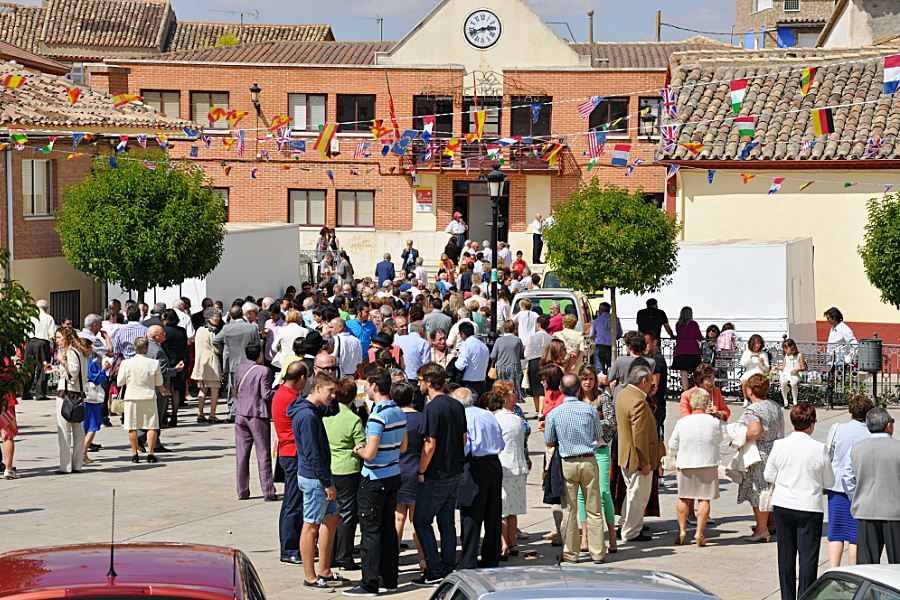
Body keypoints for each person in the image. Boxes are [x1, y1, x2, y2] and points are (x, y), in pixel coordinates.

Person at [344, 369, 408, 596]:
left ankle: (369, 582)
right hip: (393, 474)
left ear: (374, 386)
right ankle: (389, 578)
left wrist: (358, 449)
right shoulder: (399, 411)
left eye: (368, 386)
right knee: (388, 528)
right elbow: (403, 447)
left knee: (370, 532)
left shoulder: (377, 415)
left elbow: (370, 453)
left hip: (375, 478)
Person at [764, 403, 833, 600]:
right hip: (809, 505)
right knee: (808, 558)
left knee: (785, 555)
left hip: (784, 504)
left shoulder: (780, 445)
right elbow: (829, 481)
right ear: (811, 424)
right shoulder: (819, 448)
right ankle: (805, 596)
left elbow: (769, 475)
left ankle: (787, 596)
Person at [288, 371, 346, 592]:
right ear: (317, 389)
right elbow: (313, 454)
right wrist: (327, 483)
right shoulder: (308, 416)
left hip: (319, 477)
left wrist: (335, 392)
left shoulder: (310, 407)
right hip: (315, 479)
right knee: (311, 525)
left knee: (331, 520)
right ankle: (310, 577)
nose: (333, 395)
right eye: (330, 391)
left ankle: (324, 570)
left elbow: (333, 408)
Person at [413, 363, 468, 587]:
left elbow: (430, 443)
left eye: (420, 380)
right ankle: (447, 565)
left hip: (436, 474)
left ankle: (434, 569)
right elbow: (463, 439)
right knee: (446, 521)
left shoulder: (433, 408)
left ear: (429, 382)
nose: (418, 385)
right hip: (454, 471)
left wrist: (421, 470)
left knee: (421, 520)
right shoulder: (456, 405)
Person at [545, 373, 607, 564]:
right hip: (589, 460)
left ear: (561, 390)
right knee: (594, 510)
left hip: (568, 462)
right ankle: (597, 552)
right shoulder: (589, 409)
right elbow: (598, 435)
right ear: (579, 389)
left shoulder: (555, 413)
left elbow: (549, 440)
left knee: (569, 510)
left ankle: (571, 553)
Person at [452, 387, 504, 571]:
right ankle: (491, 557)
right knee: (492, 512)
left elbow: (466, 444)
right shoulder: (487, 414)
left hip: (474, 464)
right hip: (493, 463)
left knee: (471, 513)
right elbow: (500, 440)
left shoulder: (463, 417)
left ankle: (468, 560)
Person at [669, 388, 725, 547]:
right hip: (707, 462)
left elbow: (673, 444)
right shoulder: (714, 422)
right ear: (706, 403)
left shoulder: (682, 422)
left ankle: (682, 531)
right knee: (704, 499)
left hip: (686, 463)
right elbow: (719, 440)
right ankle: (699, 533)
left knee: (683, 497)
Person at [825, 394, 874, 567]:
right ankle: (853, 572)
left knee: (836, 534)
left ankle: (833, 569)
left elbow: (828, 454)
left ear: (850, 412)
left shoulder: (837, 428)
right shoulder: (870, 432)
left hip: (837, 486)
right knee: (855, 537)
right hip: (861, 488)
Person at [322, 377, 365, 573]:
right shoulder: (354, 419)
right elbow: (361, 445)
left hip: (329, 467)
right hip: (348, 469)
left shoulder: (325, 415)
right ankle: (344, 555)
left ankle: (328, 555)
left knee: (330, 513)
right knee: (348, 513)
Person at [847, 407, 900, 564]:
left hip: (866, 511)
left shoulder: (856, 448)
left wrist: (857, 497)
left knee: (866, 565)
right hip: (895, 513)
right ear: (888, 426)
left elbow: (848, 478)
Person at [575, 365, 618, 554]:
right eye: (584, 378)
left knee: (603, 492)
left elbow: (611, 423)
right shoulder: (574, 399)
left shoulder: (603, 397)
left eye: (590, 378)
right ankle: (585, 535)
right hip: (580, 451)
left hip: (600, 450)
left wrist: (589, 425)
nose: (587, 382)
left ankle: (611, 534)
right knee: (581, 495)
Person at [615, 365, 659, 543]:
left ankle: (625, 524)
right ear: (644, 381)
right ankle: (631, 531)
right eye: (650, 382)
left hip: (626, 454)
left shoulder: (623, 394)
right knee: (638, 496)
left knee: (631, 492)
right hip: (637, 457)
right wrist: (645, 462)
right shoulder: (639, 402)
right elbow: (639, 436)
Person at [738, 374, 784, 543]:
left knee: (759, 491)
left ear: (750, 390)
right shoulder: (773, 405)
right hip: (774, 448)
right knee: (771, 489)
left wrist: (742, 436)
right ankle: (771, 523)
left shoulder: (753, 409)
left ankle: (761, 529)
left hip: (759, 452)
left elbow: (755, 431)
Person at [273, 361, 309, 565]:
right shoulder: (291, 399)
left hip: (287, 452)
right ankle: (289, 549)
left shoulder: (281, 393)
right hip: (292, 453)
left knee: (292, 502)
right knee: (293, 504)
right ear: (302, 378)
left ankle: (292, 545)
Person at [233, 344, 276, 501]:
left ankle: (242, 490)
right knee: (263, 453)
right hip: (257, 414)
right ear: (260, 354)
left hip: (240, 413)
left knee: (242, 454)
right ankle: (268, 491)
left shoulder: (239, 368)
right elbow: (266, 394)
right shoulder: (263, 371)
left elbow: (235, 388)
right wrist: (278, 391)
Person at [393, 381, 427, 573]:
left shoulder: (392, 418)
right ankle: (423, 558)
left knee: (398, 518)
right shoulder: (422, 418)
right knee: (418, 520)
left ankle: (393, 557)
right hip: (416, 470)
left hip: (397, 470)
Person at [47, 326, 90, 474]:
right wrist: (57, 369)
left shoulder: (71, 352)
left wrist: (62, 361)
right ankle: (77, 464)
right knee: (78, 431)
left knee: (65, 431)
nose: (57, 340)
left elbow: (73, 372)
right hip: (78, 394)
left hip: (66, 395)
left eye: (59, 337)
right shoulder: (82, 351)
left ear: (67, 337)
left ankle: (65, 466)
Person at [117, 337, 164, 465]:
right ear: (147, 348)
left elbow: (120, 381)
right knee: (151, 426)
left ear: (134, 348)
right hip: (148, 396)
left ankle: (134, 454)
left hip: (132, 397)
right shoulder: (154, 363)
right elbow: (159, 382)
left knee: (132, 426)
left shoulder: (126, 363)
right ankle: (150, 453)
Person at [213, 303, 261, 420]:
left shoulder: (227, 328)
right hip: (249, 362)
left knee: (233, 388)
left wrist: (222, 350)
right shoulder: (252, 327)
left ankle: (233, 412)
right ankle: (249, 410)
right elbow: (257, 344)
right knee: (250, 388)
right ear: (242, 314)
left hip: (233, 363)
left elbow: (215, 340)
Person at [191, 307, 222, 423]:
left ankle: (200, 413)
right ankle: (212, 414)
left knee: (202, 389)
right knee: (214, 389)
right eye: (216, 316)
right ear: (209, 317)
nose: (218, 318)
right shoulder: (212, 331)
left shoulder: (199, 329)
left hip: (200, 362)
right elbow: (216, 348)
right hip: (212, 361)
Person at [24, 299, 57, 400]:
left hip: (30, 342)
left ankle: (25, 392)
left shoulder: (30, 317)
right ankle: (40, 393)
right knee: (43, 367)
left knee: (29, 367)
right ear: (46, 308)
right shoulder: (48, 317)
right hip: (42, 342)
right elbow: (52, 333)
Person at [161, 309, 188, 427]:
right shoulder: (181, 331)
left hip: (166, 362)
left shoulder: (164, 331)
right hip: (179, 362)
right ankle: (175, 415)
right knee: (176, 390)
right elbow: (185, 347)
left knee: (165, 389)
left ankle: (164, 415)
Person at [491, 320, 525, 404]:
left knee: (502, 387)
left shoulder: (499, 340)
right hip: (514, 366)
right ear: (513, 328)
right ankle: (514, 403)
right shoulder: (517, 340)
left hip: (501, 366)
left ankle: (503, 402)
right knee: (514, 387)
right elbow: (522, 355)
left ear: (504, 328)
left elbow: (493, 355)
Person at [604, 331, 646, 398]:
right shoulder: (650, 362)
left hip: (621, 396)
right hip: (639, 396)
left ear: (629, 346)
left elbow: (609, 378)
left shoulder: (620, 360)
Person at [525, 314, 552, 415]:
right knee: (544, 386)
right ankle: (542, 410)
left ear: (538, 324)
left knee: (535, 387)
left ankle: (537, 410)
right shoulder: (550, 338)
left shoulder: (531, 337)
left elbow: (526, 354)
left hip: (534, 362)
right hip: (546, 362)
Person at [672, 306, 703, 394]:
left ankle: (685, 392)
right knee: (696, 371)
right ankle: (696, 390)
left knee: (683, 373)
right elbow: (698, 336)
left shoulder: (678, 324)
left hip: (681, 350)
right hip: (693, 349)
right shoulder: (694, 324)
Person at [454, 322, 489, 397]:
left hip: (468, 384)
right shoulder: (483, 345)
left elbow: (460, 365)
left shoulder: (466, 344)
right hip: (481, 383)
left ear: (462, 333)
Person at [591, 303, 621, 375]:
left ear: (600, 310)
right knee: (611, 367)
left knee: (599, 368)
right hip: (611, 346)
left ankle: (601, 382)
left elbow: (592, 335)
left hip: (600, 346)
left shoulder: (596, 321)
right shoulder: (615, 320)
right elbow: (620, 333)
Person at [740, 334, 770, 407]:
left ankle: (759, 399)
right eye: (756, 343)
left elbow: (766, 369)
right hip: (749, 371)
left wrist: (762, 363)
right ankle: (745, 399)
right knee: (745, 380)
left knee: (759, 381)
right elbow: (743, 364)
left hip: (759, 371)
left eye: (759, 343)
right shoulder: (747, 352)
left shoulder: (763, 353)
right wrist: (750, 357)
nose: (757, 345)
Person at [775, 339, 806, 407]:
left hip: (795, 374)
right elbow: (783, 367)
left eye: (786, 348)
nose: (785, 350)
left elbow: (803, 367)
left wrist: (798, 370)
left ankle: (795, 401)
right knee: (783, 382)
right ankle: (785, 401)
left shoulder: (799, 355)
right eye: (784, 349)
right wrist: (776, 368)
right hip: (787, 373)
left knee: (793, 383)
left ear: (792, 347)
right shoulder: (786, 356)